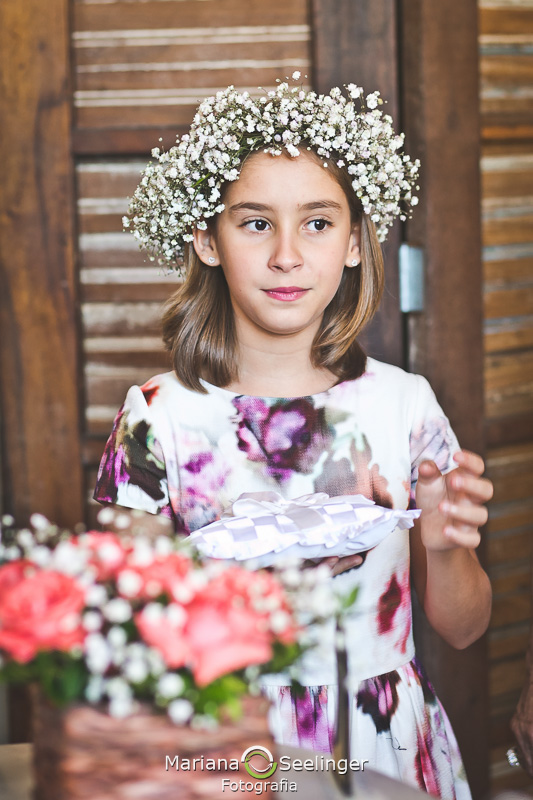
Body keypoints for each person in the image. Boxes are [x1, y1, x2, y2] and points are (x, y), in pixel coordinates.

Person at [94, 77, 493, 798]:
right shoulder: (157, 415)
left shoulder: (405, 404)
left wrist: (444, 548)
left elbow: (464, 630)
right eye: (255, 223)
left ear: (353, 243)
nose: (286, 255)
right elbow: (121, 639)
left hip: (382, 740)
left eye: (316, 223)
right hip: (224, 744)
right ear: (206, 240)